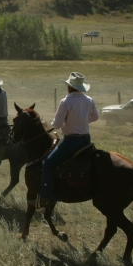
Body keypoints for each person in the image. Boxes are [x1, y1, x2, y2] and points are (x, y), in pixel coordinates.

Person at [37, 72, 99, 208]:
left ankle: (46, 196)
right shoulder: (89, 100)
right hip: (86, 140)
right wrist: (83, 121)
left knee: (47, 164)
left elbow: (57, 125)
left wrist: (58, 124)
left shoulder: (66, 102)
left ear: (70, 87)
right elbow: (95, 117)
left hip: (71, 142)